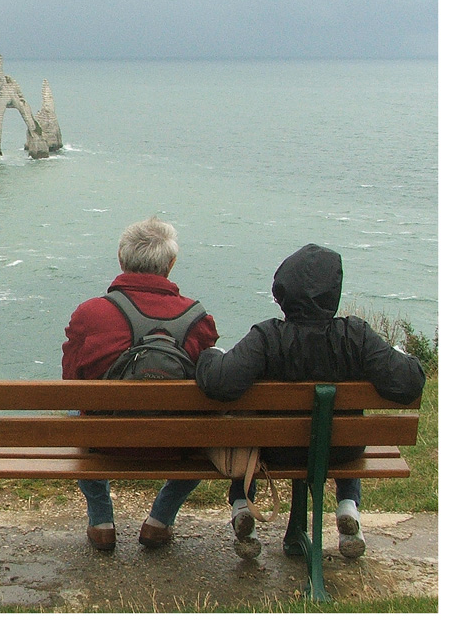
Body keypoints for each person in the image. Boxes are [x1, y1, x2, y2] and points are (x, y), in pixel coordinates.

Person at [196, 243, 426, 559]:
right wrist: (403, 356)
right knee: (343, 425)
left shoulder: (267, 337)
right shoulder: (354, 335)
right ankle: (347, 507)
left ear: (283, 293)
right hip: (341, 451)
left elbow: (220, 383)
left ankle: (240, 506)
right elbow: (409, 383)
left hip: (276, 450)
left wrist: (209, 355)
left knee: (245, 434)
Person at [62, 216, 220, 551]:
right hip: (176, 447)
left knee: (78, 420)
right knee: (210, 430)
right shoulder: (199, 320)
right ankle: (159, 520)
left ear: (121, 259)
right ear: (171, 264)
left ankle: (101, 521)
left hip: (105, 443)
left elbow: (70, 383)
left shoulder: (90, 314)